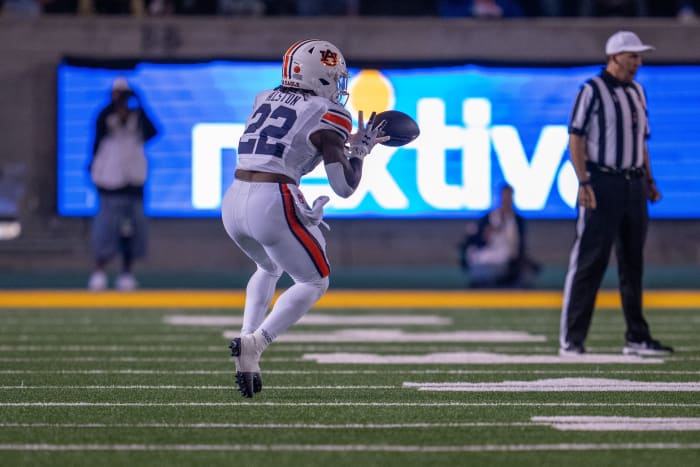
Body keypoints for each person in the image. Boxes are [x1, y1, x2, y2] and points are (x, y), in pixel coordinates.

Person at [221, 39, 388, 397]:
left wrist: (343, 144)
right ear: (322, 76)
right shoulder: (331, 114)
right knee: (315, 281)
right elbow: (344, 187)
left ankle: (247, 342)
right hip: (271, 199)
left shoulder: (263, 98)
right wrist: (358, 152)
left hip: (234, 199)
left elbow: (297, 136)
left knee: (268, 268)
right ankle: (257, 342)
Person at [559, 31, 672, 356]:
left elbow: (641, 142)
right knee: (589, 262)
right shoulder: (591, 90)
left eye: (639, 56)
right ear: (614, 57)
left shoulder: (638, 91)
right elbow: (576, 139)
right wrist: (583, 181)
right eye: (631, 55)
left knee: (632, 263)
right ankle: (572, 339)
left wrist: (648, 180)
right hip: (602, 182)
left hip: (632, 183)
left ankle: (636, 336)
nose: (637, 62)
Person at [87, 77, 158, 291]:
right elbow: (97, 140)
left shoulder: (138, 118)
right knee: (105, 229)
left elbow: (153, 132)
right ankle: (99, 271)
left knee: (131, 231)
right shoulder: (106, 116)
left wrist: (140, 103)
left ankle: (126, 272)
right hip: (110, 182)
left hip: (133, 183)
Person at [458, 184, 539, 288]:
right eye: (504, 196)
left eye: (509, 196)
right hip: (488, 259)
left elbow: (520, 245)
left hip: (510, 262)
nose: (507, 200)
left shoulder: (517, 220)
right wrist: (486, 235)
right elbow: (475, 241)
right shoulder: (489, 218)